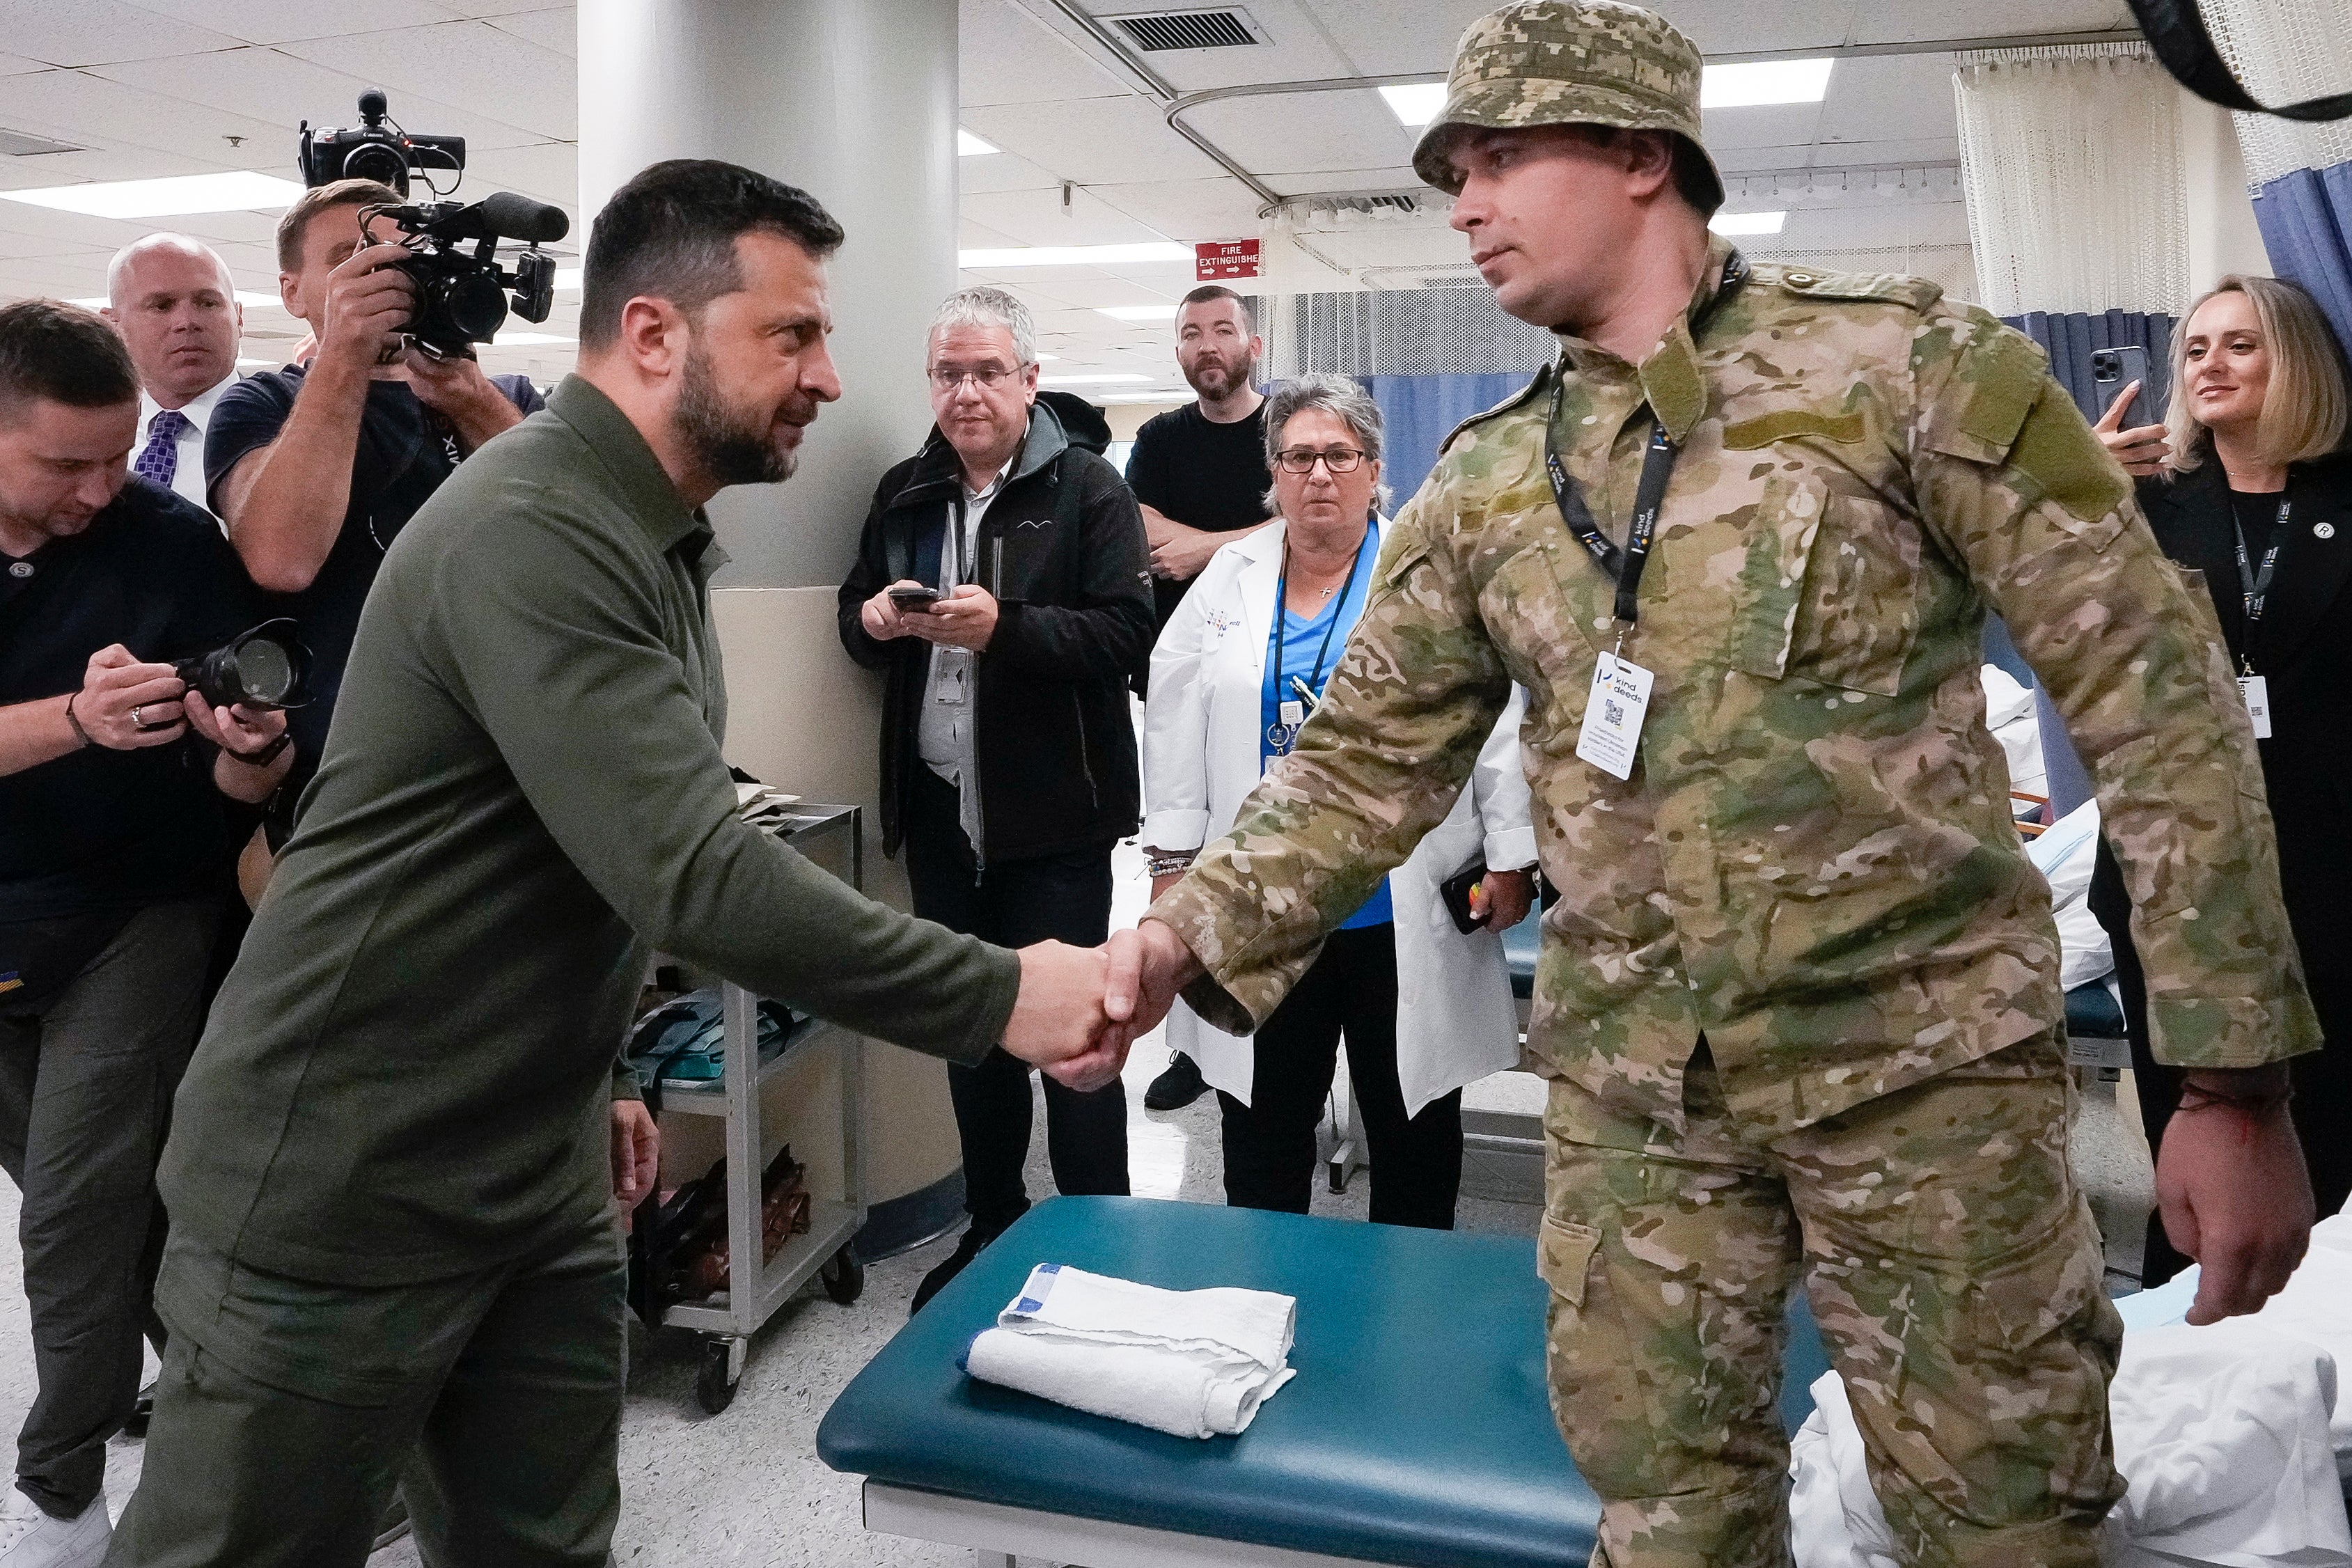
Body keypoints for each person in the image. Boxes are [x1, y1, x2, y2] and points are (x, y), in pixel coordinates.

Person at [1096, 4, 2321, 1564]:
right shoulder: (1487, 476)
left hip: (1921, 1075)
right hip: (1641, 1099)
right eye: (1449, 170)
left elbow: (2159, 706)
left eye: (1497, 156)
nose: (1461, 201)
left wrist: (2227, 1082)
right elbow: (1355, 762)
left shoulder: (1909, 369)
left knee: (2006, 1521)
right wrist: (1174, 942)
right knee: (1668, 1519)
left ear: (1636, 154)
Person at [106, 161, 1121, 1568]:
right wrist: (1003, 991)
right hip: (343, 1173)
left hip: (531, 1163)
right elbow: (694, 872)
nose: (831, 377)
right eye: (794, 335)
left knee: (546, 1544)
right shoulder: (533, 524)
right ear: (654, 335)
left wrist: (609, 1074)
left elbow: (583, 848)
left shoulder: (649, 541)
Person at [0, 301, 290, 1568]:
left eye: (116, 455)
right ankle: (259, 1427)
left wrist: (246, 758)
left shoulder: (167, 543)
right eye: (64, 464)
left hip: (139, 911)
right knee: (136, 1214)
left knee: (76, 1211)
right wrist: (74, 717)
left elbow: (236, 770)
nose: (97, 486)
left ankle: (59, 1490)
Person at [1143, 374, 1533, 1228]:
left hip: (1398, 897)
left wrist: (1510, 854)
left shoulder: (1424, 574)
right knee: (1265, 1126)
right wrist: (1172, 863)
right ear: (1274, 474)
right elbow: (1173, 717)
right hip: (1268, 900)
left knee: (1413, 1123)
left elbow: (1497, 713)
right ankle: (1272, 1292)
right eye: (1299, 457)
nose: (1319, 475)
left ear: (1373, 468)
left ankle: (1411, 1297)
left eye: (1339, 455)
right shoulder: (1228, 581)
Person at [838, 284, 1152, 1314]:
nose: (965, 392)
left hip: (1055, 819)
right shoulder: (904, 491)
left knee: (1074, 1039)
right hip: (941, 812)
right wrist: (876, 621)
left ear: (1028, 379)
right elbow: (850, 616)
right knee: (974, 1036)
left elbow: (1123, 636)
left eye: (985, 372)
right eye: (947, 373)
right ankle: (994, 1224)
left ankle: (1099, 1235)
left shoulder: (1088, 489)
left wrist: (1003, 628)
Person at [2091, 274, 2352, 1273]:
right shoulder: (2142, 505)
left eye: (2239, 345)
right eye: (2195, 349)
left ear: (2296, 364)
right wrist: (2081, 498)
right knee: (2193, 1134)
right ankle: (2189, 1340)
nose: (2208, 364)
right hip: (2176, 879)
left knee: (2322, 1143)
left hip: (2329, 868)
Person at [204, 178, 543, 803]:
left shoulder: (511, 401)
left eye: (399, 256)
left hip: (503, 762)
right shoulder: (262, 405)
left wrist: (469, 399)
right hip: (339, 774)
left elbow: (569, 545)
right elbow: (281, 559)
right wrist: (344, 355)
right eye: (350, 260)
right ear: (292, 291)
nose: (383, 274)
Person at [1126, 283, 1276, 1111]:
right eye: (1192, 332)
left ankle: (1274, 1018)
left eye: (1223, 329)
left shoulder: (1283, 432)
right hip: (1178, 687)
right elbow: (1143, 533)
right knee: (1184, 862)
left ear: (1251, 344)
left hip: (1267, 678)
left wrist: (1207, 551)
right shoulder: (1157, 438)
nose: (1208, 343)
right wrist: (1246, 541)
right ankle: (1194, 1043)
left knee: (1265, 857)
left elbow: (1301, 520)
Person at [99, 235, 243, 516]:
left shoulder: (284, 435)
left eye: (208, 303)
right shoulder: (88, 445)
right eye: (161, 306)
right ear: (113, 325)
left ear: (238, 318)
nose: (187, 322)